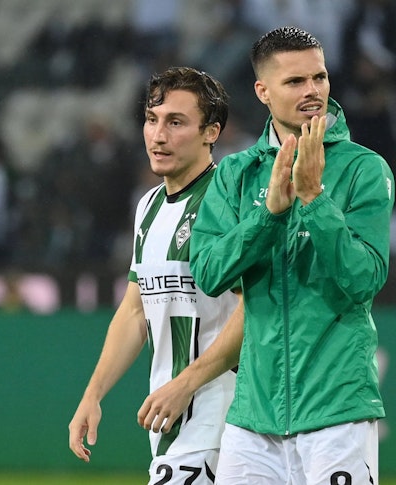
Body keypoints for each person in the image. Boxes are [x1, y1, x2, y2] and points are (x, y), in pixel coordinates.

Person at [138, 27, 394, 484]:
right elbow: (209, 272)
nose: (313, 91)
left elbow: (364, 280)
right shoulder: (236, 175)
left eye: (319, 77)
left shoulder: (363, 169)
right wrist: (269, 215)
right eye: (295, 82)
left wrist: (314, 201)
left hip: (338, 408)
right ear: (263, 91)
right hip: (253, 418)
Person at [68, 67, 243, 484]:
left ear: (211, 132)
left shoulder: (229, 203)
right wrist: (93, 393)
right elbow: (134, 311)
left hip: (226, 422)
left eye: (176, 122)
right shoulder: (148, 206)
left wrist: (187, 383)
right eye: (152, 119)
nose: (158, 135)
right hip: (171, 424)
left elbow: (255, 311)